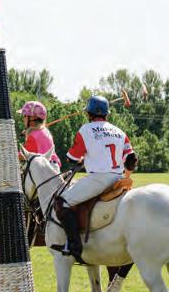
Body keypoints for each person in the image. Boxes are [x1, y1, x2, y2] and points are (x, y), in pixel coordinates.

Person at [56, 95, 137, 260]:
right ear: (107, 114)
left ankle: (74, 245)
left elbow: (71, 158)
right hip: (118, 180)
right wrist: (126, 175)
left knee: (62, 201)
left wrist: (80, 160)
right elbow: (131, 159)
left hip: (98, 180)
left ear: (89, 113)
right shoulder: (120, 132)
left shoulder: (85, 130)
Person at [17, 100, 61, 169]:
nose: (23, 118)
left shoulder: (32, 137)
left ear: (32, 118)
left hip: (43, 170)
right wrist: (28, 133)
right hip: (54, 166)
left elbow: (22, 156)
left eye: (24, 115)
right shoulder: (46, 131)